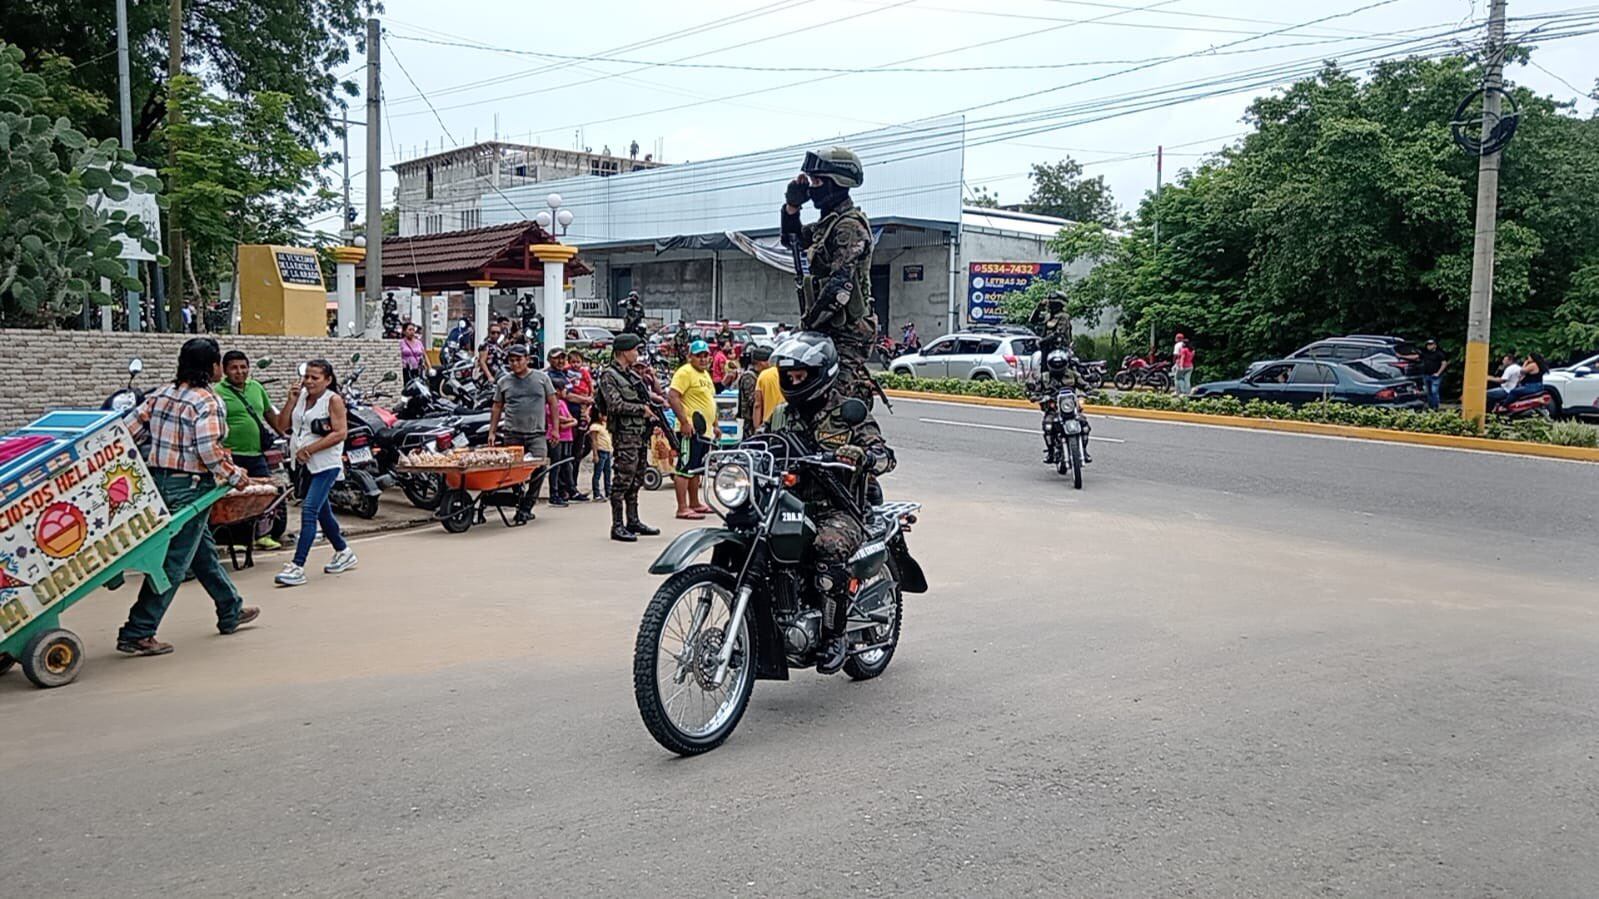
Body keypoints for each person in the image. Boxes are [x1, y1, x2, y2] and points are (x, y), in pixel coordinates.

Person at [115, 338, 260, 656]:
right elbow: (208, 449)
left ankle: (230, 608)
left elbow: (128, 431)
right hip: (191, 486)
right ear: (212, 366)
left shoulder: (160, 394)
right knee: (175, 560)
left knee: (200, 551)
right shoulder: (207, 400)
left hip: (159, 483)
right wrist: (235, 476)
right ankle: (139, 631)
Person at [765, 332, 896, 674]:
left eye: (801, 375)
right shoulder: (780, 415)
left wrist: (864, 456)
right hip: (789, 506)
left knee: (827, 547)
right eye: (789, 376)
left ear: (821, 374)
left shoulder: (848, 412)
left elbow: (885, 456)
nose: (794, 382)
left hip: (839, 510)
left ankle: (833, 636)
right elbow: (759, 444)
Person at [781, 146, 878, 405]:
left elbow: (839, 288)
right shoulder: (827, 225)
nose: (812, 188)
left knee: (836, 400)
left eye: (817, 182)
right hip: (826, 327)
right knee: (802, 390)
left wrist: (807, 325)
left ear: (837, 183)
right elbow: (791, 240)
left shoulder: (849, 227)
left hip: (848, 332)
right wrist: (792, 208)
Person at [271, 360, 358, 587]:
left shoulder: (333, 400)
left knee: (309, 510)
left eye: (315, 378)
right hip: (303, 465)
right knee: (322, 511)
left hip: (325, 464)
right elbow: (282, 426)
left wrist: (310, 449)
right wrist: (290, 401)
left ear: (327, 380)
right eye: (306, 377)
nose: (309, 382)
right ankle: (343, 551)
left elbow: (340, 433)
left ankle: (297, 566)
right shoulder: (301, 397)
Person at [597, 333, 662, 542]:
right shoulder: (609, 376)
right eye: (635, 350)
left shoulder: (630, 375)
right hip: (624, 435)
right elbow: (614, 405)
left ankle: (633, 520)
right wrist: (641, 410)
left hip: (639, 433)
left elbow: (645, 397)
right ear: (624, 352)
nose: (637, 354)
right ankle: (617, 525)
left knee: (636, 478)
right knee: (623, 479)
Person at [487, 344, 556, 525]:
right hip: (512, 433)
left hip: (537, 434)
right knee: (513, 472)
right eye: (512, 360)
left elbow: (553, 403)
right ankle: (518, 500)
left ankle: (527, 506)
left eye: (519, 359)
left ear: (527, 359)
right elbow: (497, 407)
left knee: (539, 469)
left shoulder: (542, 379)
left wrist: (555, 429)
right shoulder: (504, 382)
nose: (515, 364)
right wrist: (492, 432)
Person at [667, 340, 718, 519]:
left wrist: (715, 425)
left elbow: (709, 401)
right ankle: (682, 508)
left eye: (705, 355)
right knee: (685, 468)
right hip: (690, 430)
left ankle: (694, 503)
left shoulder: (705, 375)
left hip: (705, 432)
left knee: (696, 469)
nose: (703, 359)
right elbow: (673, 396)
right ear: (690, 357)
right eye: (698, 356)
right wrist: (684, 422)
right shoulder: (685, 372)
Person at [1026, 349, 1094, 464]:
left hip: (1071, 408)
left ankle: (1084, 450)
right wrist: (1036, 396)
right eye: (1055, 364)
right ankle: (1050, 452)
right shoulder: (1044, 377)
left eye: (1060, 364)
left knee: (1084, 425)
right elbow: (1036, 390)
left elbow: (1084, 384)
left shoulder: (1072, 374)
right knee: (1048, 426)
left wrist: (1089, 390)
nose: (1058, 367)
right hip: (1053, 409)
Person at [738, 345, 771, 436]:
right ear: (761, 363)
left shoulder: (761, 375)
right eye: (768, 361)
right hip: (751, 425)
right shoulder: (749, 377)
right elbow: (753, 402)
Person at [1029, 291, 1073, 359]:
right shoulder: (1048, 316)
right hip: (1046, 350)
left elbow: (1058, 333)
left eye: (1052, 303)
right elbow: (1033, 321)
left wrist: (1041, 341)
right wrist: (1039, 308)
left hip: (1059, 351)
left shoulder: (1063, 316)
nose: (1049, 304)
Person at [753, 352, 785, 427]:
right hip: (784, 419)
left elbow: (758, 405)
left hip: (769, 422)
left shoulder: (763, 375)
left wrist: (757, 428)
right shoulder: (785, 373)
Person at [1417, 338, 1448, 410]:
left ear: (1435, 345)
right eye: (1428, 345)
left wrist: (1438, 373)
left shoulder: (1439, 354)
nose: (1429, 346)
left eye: (1431, 344)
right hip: (1426, 375)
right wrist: (1401, 356)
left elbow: (1444, 363)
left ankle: (1436, 407)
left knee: (1434, 391)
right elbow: (1416, 357)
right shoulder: (1425, 353)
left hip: (1435, 376)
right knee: (1428, 392)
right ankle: (1431, 407)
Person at [589, 411, 614, 499]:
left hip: (607, 451)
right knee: (598, 473)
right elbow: (594, 441)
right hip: (600, 451)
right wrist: (595, 454)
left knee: (608, 472)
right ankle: (596, 493)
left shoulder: (604, 425)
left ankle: (608, 491)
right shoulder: (595, 427)